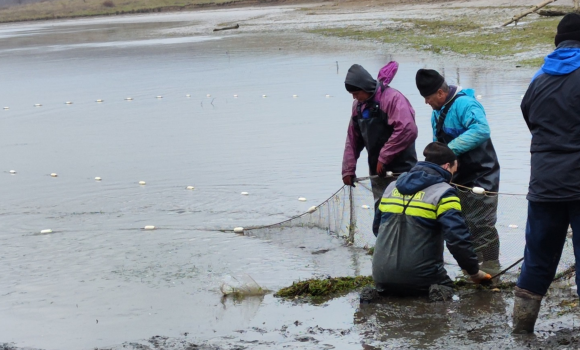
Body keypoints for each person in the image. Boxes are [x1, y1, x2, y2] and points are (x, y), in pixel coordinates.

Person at [513, 13, 580, 334]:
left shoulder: (538, 79)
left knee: (537, 256)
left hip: (543, 185)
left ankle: (522, 329)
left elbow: (530, 120)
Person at [370, 142, 491, 299]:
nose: (453, 175)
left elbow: (377, 229)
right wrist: (473, 272)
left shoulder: (391, 187)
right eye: (454, 170)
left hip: (381, 275)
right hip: (422, 279)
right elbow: (457, 240)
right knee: (447, 289)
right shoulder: (444, 193)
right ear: (447, 166)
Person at [415, 68, 501, 267]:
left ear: (440, 93)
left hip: (482, 174)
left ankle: (491, 268)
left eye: (427, 97)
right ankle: (471, 269)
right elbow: (438, 146)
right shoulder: (436, 114)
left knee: (481, 225)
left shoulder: (465, 104)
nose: (426, 102)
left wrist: (449, 151)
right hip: (456, 177)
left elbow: (481, 130)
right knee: (461, 225)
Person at [342, 61, 418, 209]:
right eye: (352, 95)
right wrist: (348, 169)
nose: (354, 98)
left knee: (405, 211)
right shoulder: (358, 106)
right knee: (382, 211)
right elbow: (352, 139)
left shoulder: (393, 99)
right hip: (378, 173)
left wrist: (384, 156)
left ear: (364, 87)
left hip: (403, 170)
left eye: (356, 93)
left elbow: (408, 129)